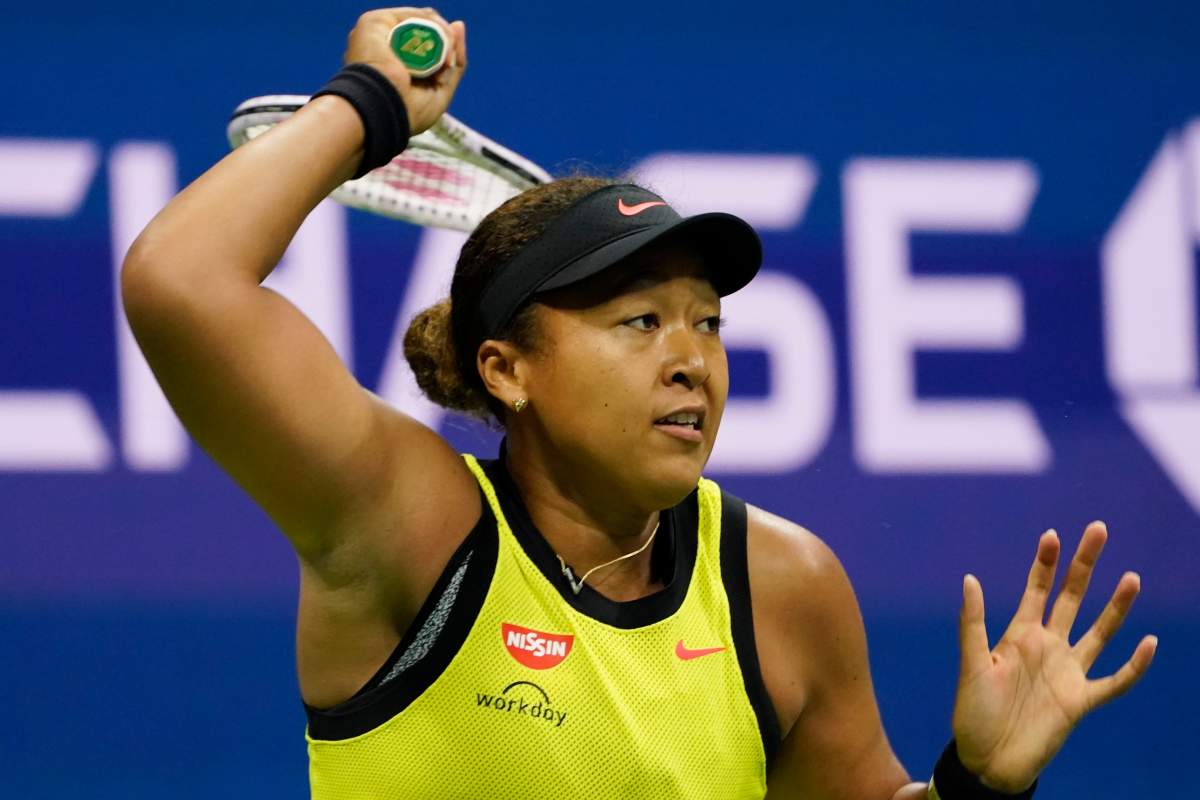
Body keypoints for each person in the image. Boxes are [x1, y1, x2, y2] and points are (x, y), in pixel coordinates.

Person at [120, 7, 1157, 799]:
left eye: (707, 321)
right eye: (639, 322)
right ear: (505, 368)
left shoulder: (782, 583)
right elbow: (183, 282)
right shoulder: (410, 527)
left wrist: (978, 784)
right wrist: (372, 101)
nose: (690, 360)